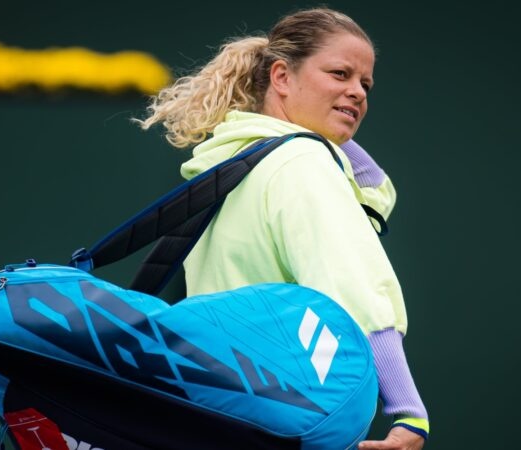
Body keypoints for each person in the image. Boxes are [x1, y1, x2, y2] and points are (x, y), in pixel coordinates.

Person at [138, 7, 429, 450]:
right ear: (281, 77)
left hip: (215, 418)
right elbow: (355, 290)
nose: (357, 93)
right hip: (280, 420)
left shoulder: (233, 164)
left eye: (365, 84)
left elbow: (372, 190)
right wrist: (408, 413)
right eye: (340, 74)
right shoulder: (302, 164)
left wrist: (327, 124)